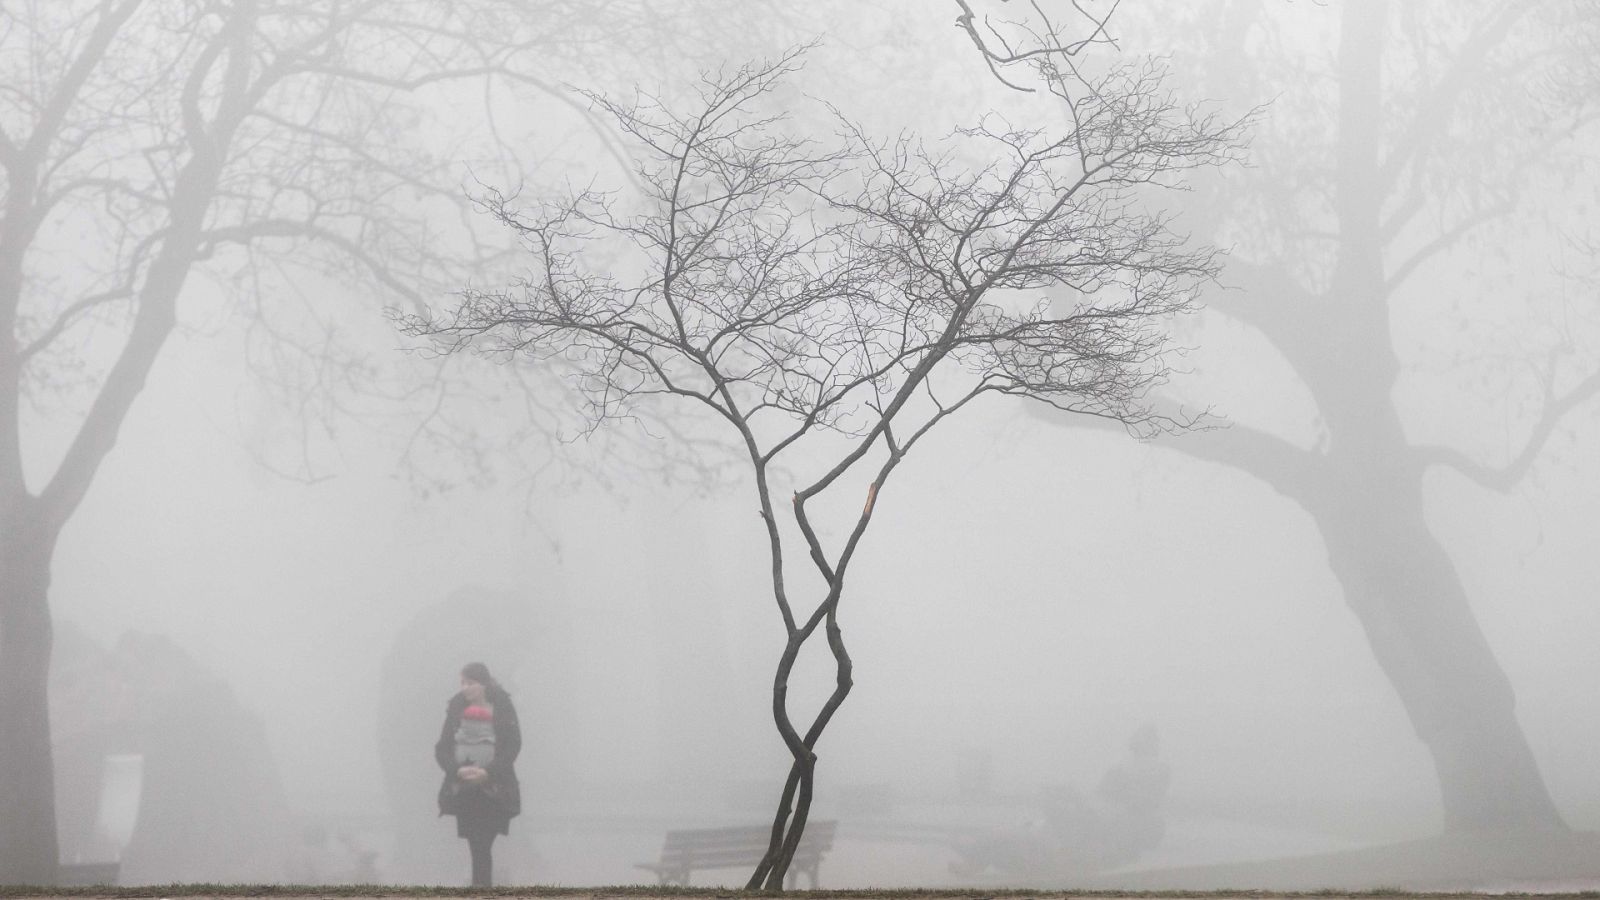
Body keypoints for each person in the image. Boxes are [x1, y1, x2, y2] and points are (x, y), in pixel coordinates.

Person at [434, 662, 521, 886]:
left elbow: (513, 745)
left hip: (495, 790)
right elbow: (442, 748)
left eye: (470, 683)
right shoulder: (456, 709)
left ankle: (480, 887)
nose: (465, 688)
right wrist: (457, 770)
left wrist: (488, 772)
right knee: (476, 844)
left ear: (484, 684)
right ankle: (480, 887)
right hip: (464, 789)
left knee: (482, 843)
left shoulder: (502, 707)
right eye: (462, 683)